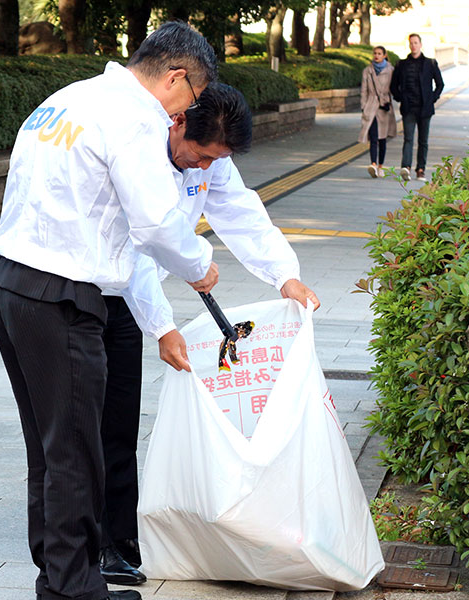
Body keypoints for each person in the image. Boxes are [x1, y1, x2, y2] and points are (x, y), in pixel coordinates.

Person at [0, 21, 219, 600]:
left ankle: (62, 578)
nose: (181, 114)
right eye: (190, 98)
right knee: (75, 454)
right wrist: (199, 264)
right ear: (176, 77)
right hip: (62, 294)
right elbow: (157, 221)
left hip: (11, 283)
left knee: (49, 448)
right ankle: (73, 590)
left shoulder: (70, 98)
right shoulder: (135, 118)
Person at [97, 82, 321, 584]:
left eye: (212, 162)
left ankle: (118, 538)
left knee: (119, 420)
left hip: (133, 298)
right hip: (89, 287)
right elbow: (136, 246)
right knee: (84, 422)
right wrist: (162, 327)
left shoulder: (210, 158)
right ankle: (87, 543)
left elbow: (240, 213)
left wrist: (284, 274)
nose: (202, 168)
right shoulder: (141, 150)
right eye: (198, 157)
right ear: (177, 124)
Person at [390, 33, 444, 182]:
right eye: (411, 43)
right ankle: (405, 167)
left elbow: (440, 84)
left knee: (423, 141)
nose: (413, 45)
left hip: (425, 108)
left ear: (420, 45)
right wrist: (400, 98)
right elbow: (394, 86)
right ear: (409, 45)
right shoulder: (402, 64)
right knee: (408, 138)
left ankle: (421, 169)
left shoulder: (430, 63)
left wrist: (432, 98)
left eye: (416, 43)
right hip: (409, 108)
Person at [358, 45, 397, 179]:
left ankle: (381, 166)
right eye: (375, 53)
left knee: (382, 139)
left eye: (379, 53)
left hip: (384, 106)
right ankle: (373, 164)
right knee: (373, 136)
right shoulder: (367, 71)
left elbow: (394, 88)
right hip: (371, 105)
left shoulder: (391, 70)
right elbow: (364, 90)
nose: (376, 55)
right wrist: (363, 106)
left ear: (384, 55)